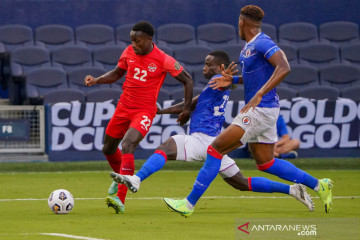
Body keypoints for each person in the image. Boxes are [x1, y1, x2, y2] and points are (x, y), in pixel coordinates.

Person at [161, 5, 333, 217]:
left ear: (242, 23)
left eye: (238, 23)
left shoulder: (262, 41)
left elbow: (284, 66)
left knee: (215, 149)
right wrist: (231, 79)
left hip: (260, 109)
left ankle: (188, 204)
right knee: (266, 163)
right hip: (265, 110)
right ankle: (319, 185)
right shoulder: (248, 48)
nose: (238, 27)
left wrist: (260, 93)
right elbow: (253, 77)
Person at [110, 50, 313, 213]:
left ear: (221, 68)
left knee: (168, 145)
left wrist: (229, 80)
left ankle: (137, 179)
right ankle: (292, 189)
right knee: (241, 183)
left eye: (209, 64)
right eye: (205, 64)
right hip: (215, 142)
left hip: (202, 139)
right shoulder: (214, 84)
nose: (204, 67)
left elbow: (216, 93)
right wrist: (162, 110)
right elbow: (191, 104)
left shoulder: (219, 81)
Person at [84, 21, 193, 214]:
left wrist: (186, 108)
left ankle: (120, 198)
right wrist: (97, 80)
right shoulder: (128, 52)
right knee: (108, 149)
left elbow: (187, 80)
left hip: (144, 111)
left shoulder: (163, 59)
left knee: (128, 144)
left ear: (149, 40)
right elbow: (117, 73)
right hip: (123, 108)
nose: (134, 44)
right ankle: (119, 177)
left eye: (138, 40)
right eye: (132, 40)